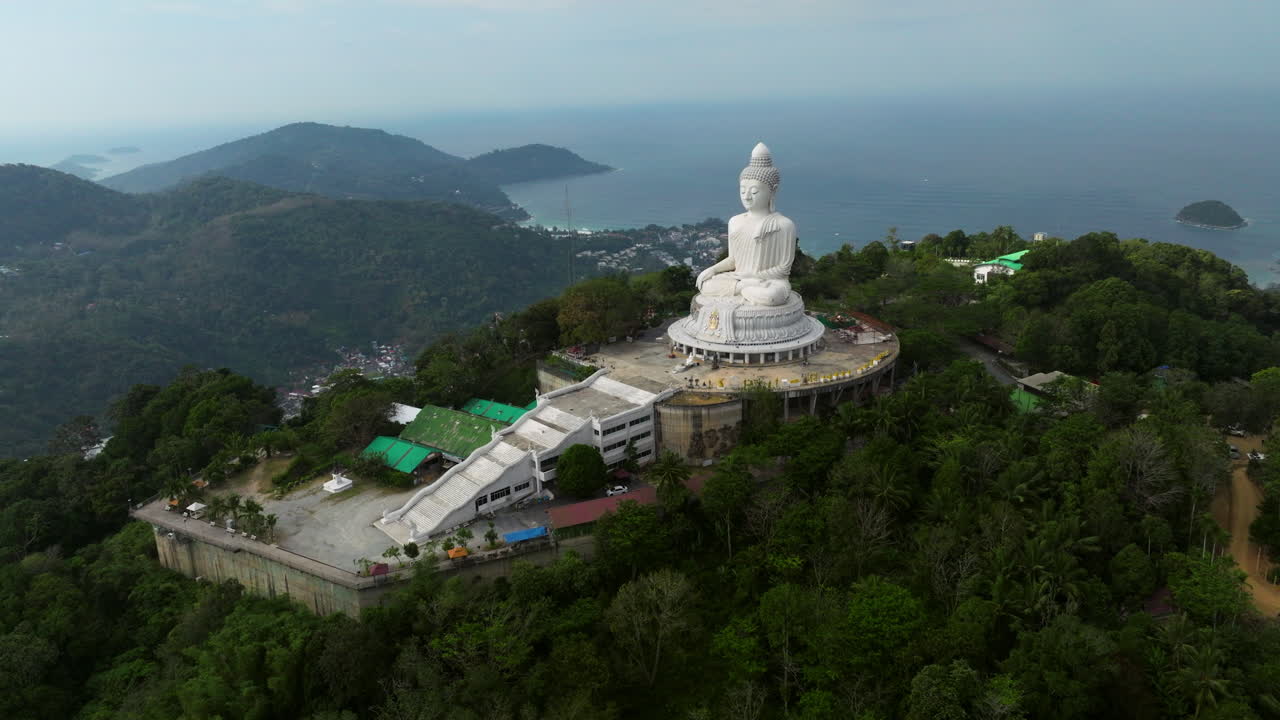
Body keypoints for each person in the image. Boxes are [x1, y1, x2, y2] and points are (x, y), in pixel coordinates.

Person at [696, 143, 796, 306]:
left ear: (773, 190)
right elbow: (733, 260)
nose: (747, 196)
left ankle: (743, 288)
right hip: (742, 279)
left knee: (771, 296)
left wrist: (754, 277)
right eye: (742, 190)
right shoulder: (735, 221)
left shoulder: (784, 225)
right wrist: (713, 270)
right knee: (705, 284)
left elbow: (783, 269)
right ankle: (743, 288)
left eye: (754, 191)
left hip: (769, 282)